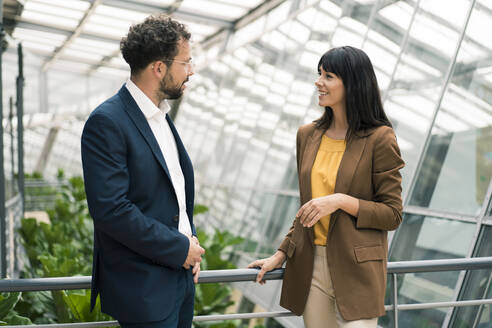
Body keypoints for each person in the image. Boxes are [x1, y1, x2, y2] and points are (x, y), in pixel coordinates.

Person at [248, 46, 405, 328]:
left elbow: (392, 214)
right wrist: (281, 253)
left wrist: (340, 200)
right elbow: (307, 208)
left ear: (353, 83)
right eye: (319, 74)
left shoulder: (380, 138)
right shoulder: (307, 135)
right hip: (311, 266)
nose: (318, 82)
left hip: (357, 269)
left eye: (328, 76)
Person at [81, 15, 205, 328]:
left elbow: (168, 194)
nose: (190, 70)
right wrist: (179, 248)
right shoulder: (107, 122)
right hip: (145, 291)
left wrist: (189, 242)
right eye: (185, 62)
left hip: (179, 281)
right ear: (159, 67)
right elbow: (111, 210)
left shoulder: (161, 117)